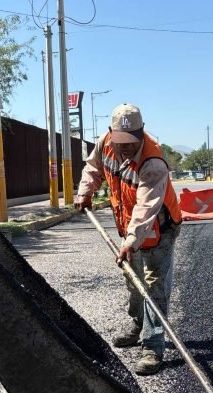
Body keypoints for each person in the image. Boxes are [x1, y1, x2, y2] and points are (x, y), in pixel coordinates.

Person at [74, 104, 183, 376]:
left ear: (142, 133)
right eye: (120, 141)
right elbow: (93, 168)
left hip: (159, 229)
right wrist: (85, 191)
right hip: (128, 229)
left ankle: (153, 348)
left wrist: (131, 240)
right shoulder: (105, 144)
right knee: (134, 282)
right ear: (111, 133)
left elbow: (146, 209)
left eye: (131, 142)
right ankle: (138, 327)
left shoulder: (153, 161)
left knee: (154, 288)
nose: (125, 148)